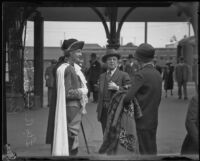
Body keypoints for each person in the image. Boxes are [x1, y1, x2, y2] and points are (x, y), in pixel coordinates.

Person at [46, 38, 88, 156]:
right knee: (71, 138)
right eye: (78, 51)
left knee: (71, 138)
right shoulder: (68, 68)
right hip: (72, 109)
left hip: (72, 109)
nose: (81, 54)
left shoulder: (67, 67)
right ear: (70, 53)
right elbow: (68, 93)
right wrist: (82, 91)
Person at [123, 43, 162, 155]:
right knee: (151, 150)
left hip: (141, 120)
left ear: (139, 59)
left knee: (144, 152)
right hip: (153, 119)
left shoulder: (141, 74)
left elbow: (127, 98)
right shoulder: (157, 74)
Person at [96, 49, 131, 134]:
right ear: (106, 62)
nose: (111, 61)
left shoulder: (123, 75)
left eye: (114, 59)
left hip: (117, 111)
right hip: (103, 111)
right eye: (109, 59)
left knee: (115, 136)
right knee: (105, 134)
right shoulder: (102, 76)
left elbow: (130, 90)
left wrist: (118, 88)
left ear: (118, 62)